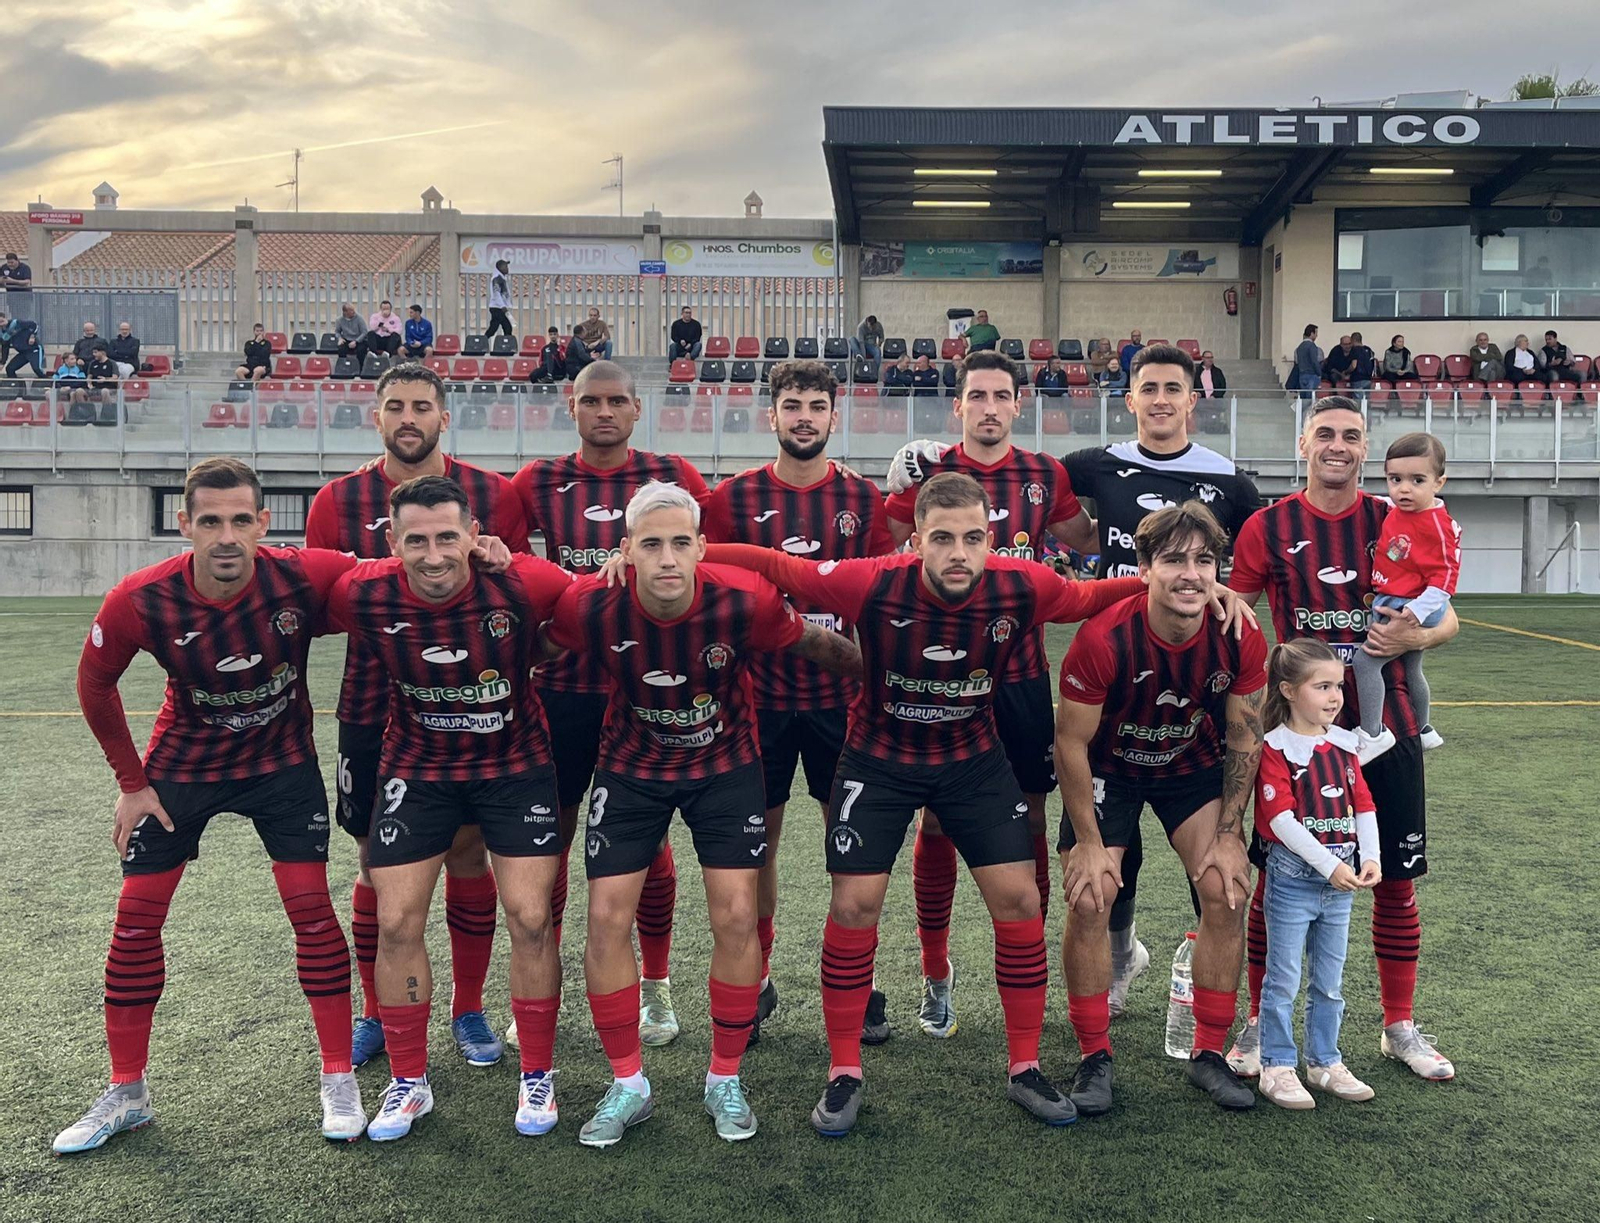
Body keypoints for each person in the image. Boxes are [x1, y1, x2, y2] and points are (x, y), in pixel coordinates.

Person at [706, 475, 1246, 1135]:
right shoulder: (869, 579)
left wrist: (1189, 583)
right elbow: (775, 564)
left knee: (1020, 900)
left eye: (971, 538)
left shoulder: (1021, 584)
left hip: (972, 762)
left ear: (990, 540)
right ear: (916, 541)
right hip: (878, 762)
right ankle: (843, 1071)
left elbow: (1086, 594)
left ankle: (1024, 1066)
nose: (957, 552)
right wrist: (679, 555)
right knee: (853, 905)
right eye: (942, 538)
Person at [57, 458, 364, 1153]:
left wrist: (480, 547)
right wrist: (132, 782)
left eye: (240, 520)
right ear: (184, 524)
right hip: (182, 769)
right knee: (135, 919)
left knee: (311, 911)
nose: (226, 536)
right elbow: (95, 683)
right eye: (210, 521)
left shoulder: (302, 575)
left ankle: (339, 1075)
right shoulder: (141, 598)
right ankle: (127, 1089)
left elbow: (390, 577)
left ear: (263, 522)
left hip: (282, 767)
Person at [546, 481, 862, 1147]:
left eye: (680, 543)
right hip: (631, 765)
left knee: (737, 915)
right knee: (604, 917)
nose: (666, 558)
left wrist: (883, 675)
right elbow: (535, 642)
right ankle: (628, 1082)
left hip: (725, 766)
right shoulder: (591, 602)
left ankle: (725, 1075)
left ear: (701, 547)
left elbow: (811, 643)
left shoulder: (744, 600)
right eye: (650, 543)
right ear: (626, 549)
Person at [323, 475, 572, 1142]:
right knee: (398, 915)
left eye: (446, 537)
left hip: (515, 766)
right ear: (391, 542)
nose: (433, 555)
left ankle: (537, 1072)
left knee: (529, 915)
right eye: (416, 540)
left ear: (472, 535)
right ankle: (409, 1080)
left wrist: (514, 560)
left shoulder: (522, 583)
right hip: (417, 767)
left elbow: (582, 610)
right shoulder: (363, 591)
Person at [304, 361, 530, 1071]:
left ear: (444, 415)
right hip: (372, 706)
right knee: (375, 861)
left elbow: (518, 590)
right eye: (395, 405)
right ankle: (377, 1008)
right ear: (376, 417)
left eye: (422, 406)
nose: (409, 417)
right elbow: (322, 601)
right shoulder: (336, 500)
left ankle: (468, 1007)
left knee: (467, 850)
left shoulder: (493, 493)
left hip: (469, 706)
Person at [1227, 395, 1459, 1084]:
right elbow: (1235, 617)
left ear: (1365, 448)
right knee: (1279, 881)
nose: (1337, 444)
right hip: (1296, 738)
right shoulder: (1267, 526)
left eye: (1351, 435)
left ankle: (1398, 1026)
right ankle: (1256, 1022)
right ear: (1304, 443)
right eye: (1324, 433)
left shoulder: (1394, 517)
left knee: (1394, 879)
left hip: (1388, 732)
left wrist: (1414, 633)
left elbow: (1449, 618)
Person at [883, 351, 1097, 1034]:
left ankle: (1026, 958)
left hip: (1021, 676)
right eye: (976, 395)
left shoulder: (1043, 473)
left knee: (1030, 816)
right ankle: (935, 970)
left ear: (1017, 404)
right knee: (938, 820)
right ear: (958, 405)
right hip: (939, 676)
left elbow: (1088, 540)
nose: (988, 407)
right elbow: (884, 547)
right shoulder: (928, 471)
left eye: (1001, 395)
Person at [510, 360, 712, 1051]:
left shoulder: (672, 474)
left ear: (636, 408)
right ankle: (545, 980)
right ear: (573, 406)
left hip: (645, 689)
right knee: (552, 842)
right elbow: (507, 564)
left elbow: (700, 562)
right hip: (563, 691)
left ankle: (654, 987)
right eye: (591, 400)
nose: (604, 411)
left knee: (648, 844)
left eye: (617, 400)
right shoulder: (537, 480)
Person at [1060, 343, 1262, 1011]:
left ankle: (1210, 1029)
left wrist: (1229, 597)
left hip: (1189, 680)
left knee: (1203, 854)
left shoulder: (1227, 479)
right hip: (1117, 657)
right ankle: (1118, 958)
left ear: (1193, 400)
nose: (1161, 399)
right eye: (1149, 388)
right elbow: (1058, 518)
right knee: (1111, 850)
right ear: (1130, 398)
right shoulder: (1097, 463)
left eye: (1173, 388)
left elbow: (1246, 560)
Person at [700, 360, 895, 1046]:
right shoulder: (731, 498)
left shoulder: (864, 499)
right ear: (772, 415)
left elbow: (879, 596)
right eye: (793, 404)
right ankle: (753, 980)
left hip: (846, 701)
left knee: (855, 841)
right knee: (761, 844)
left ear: (833, 417)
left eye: (817, 404)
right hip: (758, 701)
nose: (805, 415)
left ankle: (860, 978)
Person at [1056, 501, 1268, 1115]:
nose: (1190, 574)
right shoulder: (1103, 637)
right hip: (1109, 770)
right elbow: (1069, 742)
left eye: (1205, 561)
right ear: (1144, 566)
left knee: (1228, 888)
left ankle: (1208, 1053)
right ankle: (1094, 1054)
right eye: (1174, 559)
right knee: (1092, 893)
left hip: (1188, 768)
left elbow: (1244, 738)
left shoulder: (1240, 631)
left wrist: (1230, 834)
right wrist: (1089, 844)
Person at [1253, 638, 1381, 1110]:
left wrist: (1372, 858)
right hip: (1294, 880)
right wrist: (1329, 866)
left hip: (1340, 881)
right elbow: (1281, 821)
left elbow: (1363, 804)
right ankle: (1278, 1065)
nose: (1335, 697)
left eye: (1339, 686)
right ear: (1287, 690)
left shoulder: (1345, 745)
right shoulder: (1274, 748)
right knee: (1282, 979)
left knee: (1330, 980)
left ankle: (1325, 1061)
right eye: (1322, 686)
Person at [1353, 433, 1459, 759]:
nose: (1404, 489)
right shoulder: (1398, 508)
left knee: (1365, 663)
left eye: (1417, 480)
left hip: (1407, 604)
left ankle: (1372, 735)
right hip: (1400, 599)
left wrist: (1414, 613)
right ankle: (1424, 729)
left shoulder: (1438, 526)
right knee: (1412, 669)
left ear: (1438, 482)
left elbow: (1446, 580)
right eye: (1395, 479)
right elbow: (1383, 503)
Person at [0, 313, 46, 378]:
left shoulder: (17, 323)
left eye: (2, 321)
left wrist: (32, 336)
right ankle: (15, 386)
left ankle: (49, 383)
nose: (1, 324)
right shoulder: (3, 335)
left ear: (5, 318)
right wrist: (2, 362)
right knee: (10, 369)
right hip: (23, 353)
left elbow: (34, 325)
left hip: (34, 350)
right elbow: (5, 347)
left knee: (37, 369)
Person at [486, 260, 514, 338]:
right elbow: (496, 293)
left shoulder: (501, 278)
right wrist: (502, 306)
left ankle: (483, 341)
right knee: (505, 327)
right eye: (505, 266)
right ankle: (482, 342)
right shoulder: (497, 278)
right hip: (497, 308)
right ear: (500, 267)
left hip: (498, 308)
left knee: (496, 328)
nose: (507, 268)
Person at [1292, 324, 1323, 394]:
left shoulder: (1300, 347)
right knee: (1311, 398)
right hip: (1312, 375)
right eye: (1316, 333)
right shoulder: (1312, 346)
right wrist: (1319, 373)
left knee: (1304, 398)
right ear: (1312, 333)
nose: (1316, 336)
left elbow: (1297, 362)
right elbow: (1314, 361)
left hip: (1302, 375)